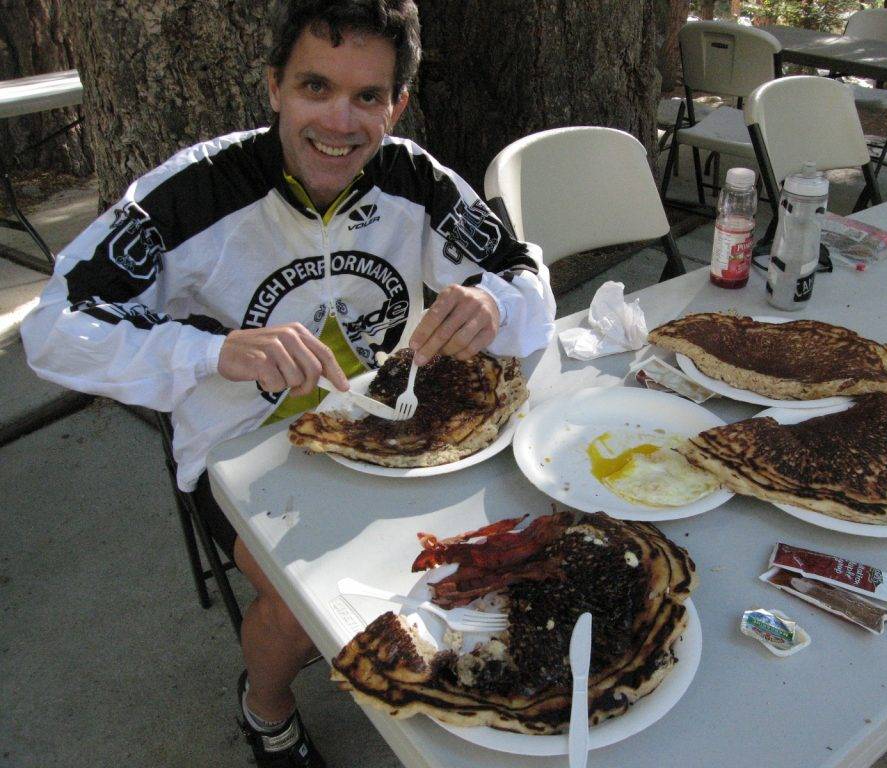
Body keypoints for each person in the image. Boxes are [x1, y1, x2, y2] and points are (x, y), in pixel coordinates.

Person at [20, 1, 555, 766]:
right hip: (244, 449)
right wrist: (211, 354)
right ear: (275, 87)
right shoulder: (195, 191)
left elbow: (524, 274)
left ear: (396, 105)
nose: (340, 122)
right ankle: (265, 710)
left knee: (519, 528)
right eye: (315, 87)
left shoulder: (416, 178)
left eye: (368, 97)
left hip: (392, 424)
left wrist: (492, 301)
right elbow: (51, 327)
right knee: (303, 607)